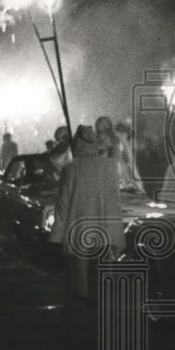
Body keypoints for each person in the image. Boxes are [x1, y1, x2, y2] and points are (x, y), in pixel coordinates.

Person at [49, 126, 123, 322]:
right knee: (102, 280)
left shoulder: (70, 169)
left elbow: (62, 204)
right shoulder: (109, 167)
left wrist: (57, 236)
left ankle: (81, 320)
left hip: (78, 232)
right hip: (104, 231)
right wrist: (116, 234)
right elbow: (114, 202)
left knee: (80, 282)